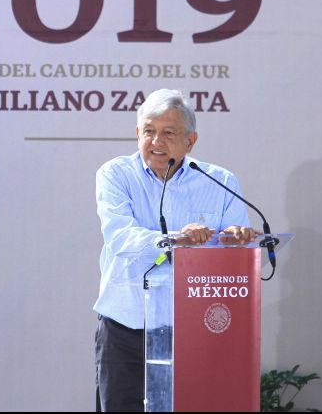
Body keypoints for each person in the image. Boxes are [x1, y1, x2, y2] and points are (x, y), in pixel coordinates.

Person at [93, 89, 257, 412]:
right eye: (149, 131)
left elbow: (235, 253)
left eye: (169, 133)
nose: (156, 141)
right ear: (137, 133)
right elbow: (120, 238)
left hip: (195, 331)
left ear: (190, 141)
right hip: (127, 329)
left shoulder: (219, 181)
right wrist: (175, 239)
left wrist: (236, 240)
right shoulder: (115, 175)